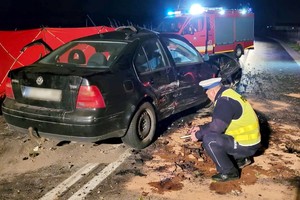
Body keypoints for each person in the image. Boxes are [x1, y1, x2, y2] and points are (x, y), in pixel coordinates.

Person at [189, 77, 261, 182]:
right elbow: (221, 121)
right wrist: (200, 128)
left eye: (208, 95)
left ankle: (229, 172)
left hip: (247, 146)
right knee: (211, 134)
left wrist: (198, 135)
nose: (209, 98)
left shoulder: (224, 102)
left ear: (213, 92)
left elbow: (216, 128)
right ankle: (242, 159)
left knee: (209, 140)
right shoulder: (229, 94)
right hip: (250, 141)